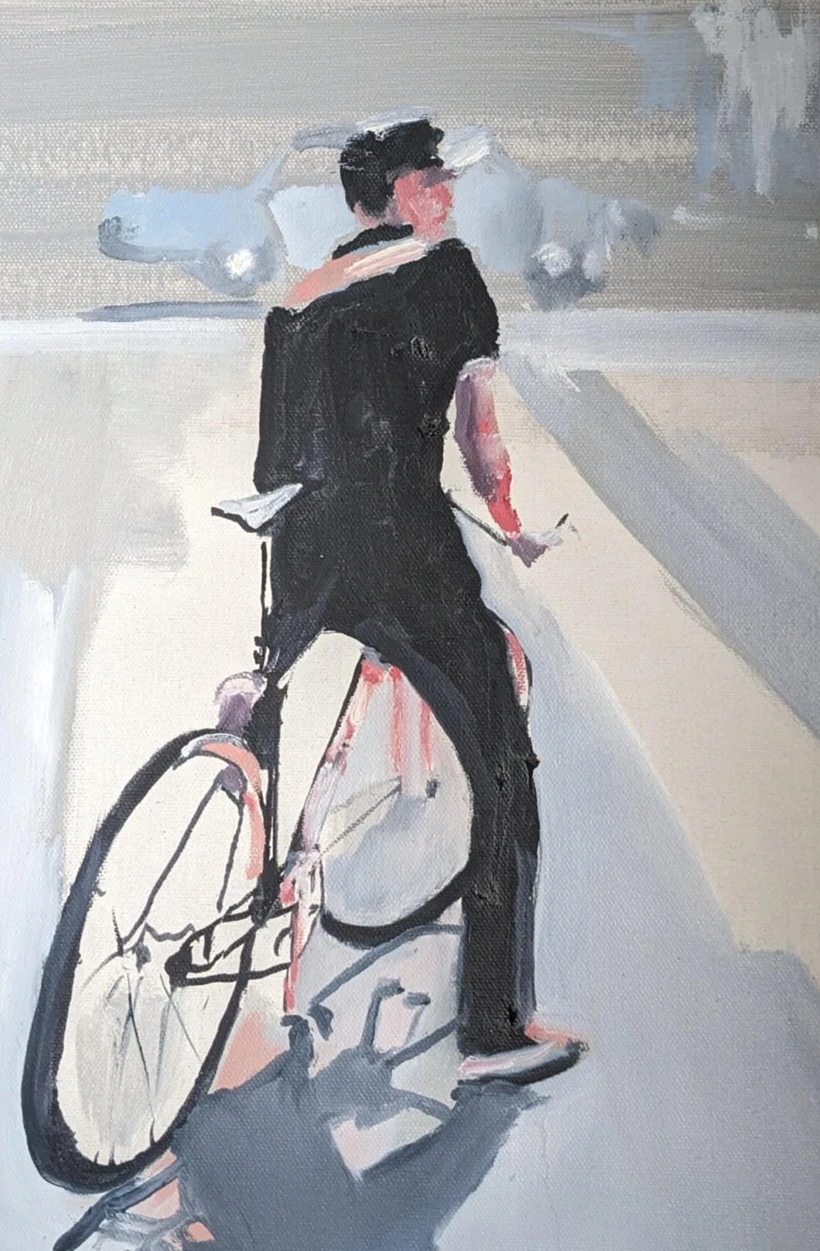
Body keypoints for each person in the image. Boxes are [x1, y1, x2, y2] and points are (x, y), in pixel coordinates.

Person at [245, 116, 582, 1084]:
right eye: (433, 177)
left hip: (301, 553)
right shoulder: (448, 275)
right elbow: (478, 439)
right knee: (505, 771)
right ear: (394, 192)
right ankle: (493, 1030)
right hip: (402, 554)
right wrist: (512, 522)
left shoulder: (299, 300)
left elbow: (275, 460)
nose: (448, 192)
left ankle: (256, 859)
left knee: (275, 725)